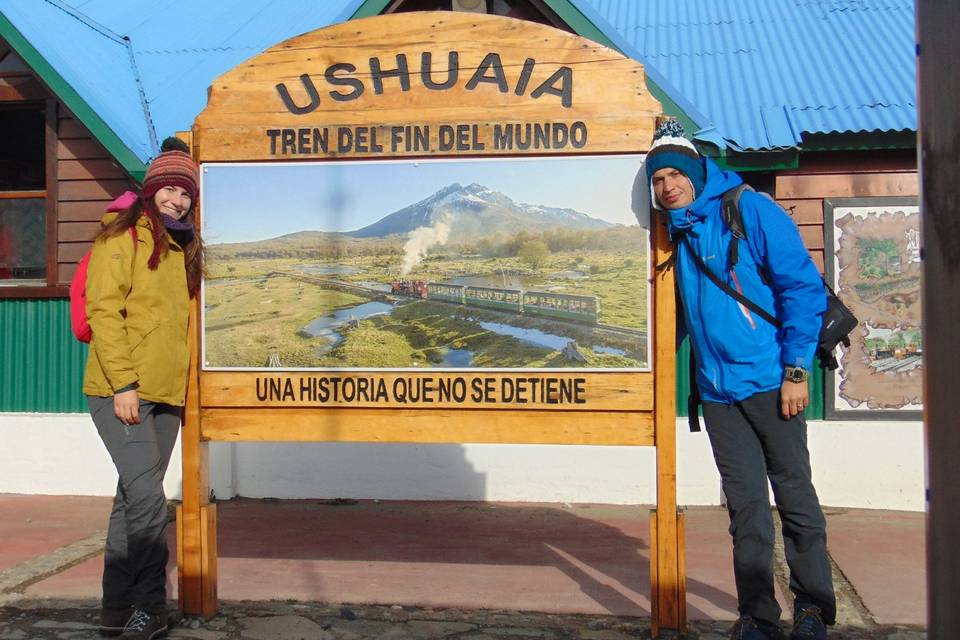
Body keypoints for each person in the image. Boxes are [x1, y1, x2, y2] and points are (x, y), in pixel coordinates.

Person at [644, 120, 835, 640]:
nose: (667, 186)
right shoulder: (672, 236)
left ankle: (814, 608)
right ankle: (757, 617)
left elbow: (802, 289)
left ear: (695, 171)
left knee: (794, 498)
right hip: (719, 395)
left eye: (674, 175)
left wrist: (797, 371)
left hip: (774, 383)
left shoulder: (748, 209)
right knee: (746, 511)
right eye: (657, 180)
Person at [83, 137, 203, 640]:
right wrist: (124, 384)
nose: (176, 200)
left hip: (168, 393)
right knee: (149, 498)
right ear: (152, 188)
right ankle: (150, 608)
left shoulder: (184, 246)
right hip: (122, 391)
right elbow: (104, 312)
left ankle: (115, 607)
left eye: (186, 194)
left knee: (130, 498)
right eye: (169, 189)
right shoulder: (121, 236)